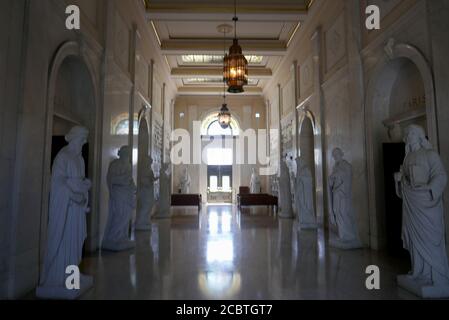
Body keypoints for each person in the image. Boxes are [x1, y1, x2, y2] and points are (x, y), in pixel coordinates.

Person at [36, 126, 93, 299]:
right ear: (74, 138)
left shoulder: (80, 159)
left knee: (75, 244)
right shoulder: (63, 157)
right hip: (66, 209)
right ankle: (60, 277)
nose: (83, 143)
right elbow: (57, 184)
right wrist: (74, 195)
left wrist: (83, 195)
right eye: (81, 140)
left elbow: (81, 181)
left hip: (77, 211)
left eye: (85, 140)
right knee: (65, 242)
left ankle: (73, 275)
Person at [395, 125, 449, 296]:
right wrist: (399, 179)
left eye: (411, 133)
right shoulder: (407, 157)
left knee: (429, 238)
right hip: (412, 203)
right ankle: (418, 271)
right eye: (407, 134)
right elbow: (405, 180)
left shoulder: (430, 154)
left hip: (426, 203)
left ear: (419, 135)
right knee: (414, 239)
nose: (408, 136)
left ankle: (435, 275)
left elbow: (440, 175)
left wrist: (429, 189)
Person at [102, 146, 136, 251]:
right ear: (121, 154)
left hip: (127, 193)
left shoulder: (129, 166)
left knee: (126, 215)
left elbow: (130, 179)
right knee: (119, 214)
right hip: (118, 193)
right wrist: (123, 180)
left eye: (128, 154)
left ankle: (122, 237)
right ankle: (113, 237)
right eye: (125, 153)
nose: (127, 156)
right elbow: (111, 179)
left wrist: (133, 186)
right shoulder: (114, 164)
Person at [328, 148, 361, 248]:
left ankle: (349, 235)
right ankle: (342, 234)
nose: (335, 157)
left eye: (336, 155)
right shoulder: (335, 166)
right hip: (336, 193)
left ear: (340, 154)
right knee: (336, 211)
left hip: (343, 194)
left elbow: (347, 178)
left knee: (343, 212)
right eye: (334, 156)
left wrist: (337, 176)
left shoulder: (346, 165)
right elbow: (332, 179)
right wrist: (331, 179)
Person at [295, 156, 317, 229]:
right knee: (301, 203)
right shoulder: (300, 170)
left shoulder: (306, 169)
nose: (297, 164)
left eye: (298, 162)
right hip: (300, 190)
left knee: (305, 203)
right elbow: (298, 181)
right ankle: (303, 219)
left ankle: (308, 219)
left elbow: (309, 179)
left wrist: (301, 178)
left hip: (305, 191)